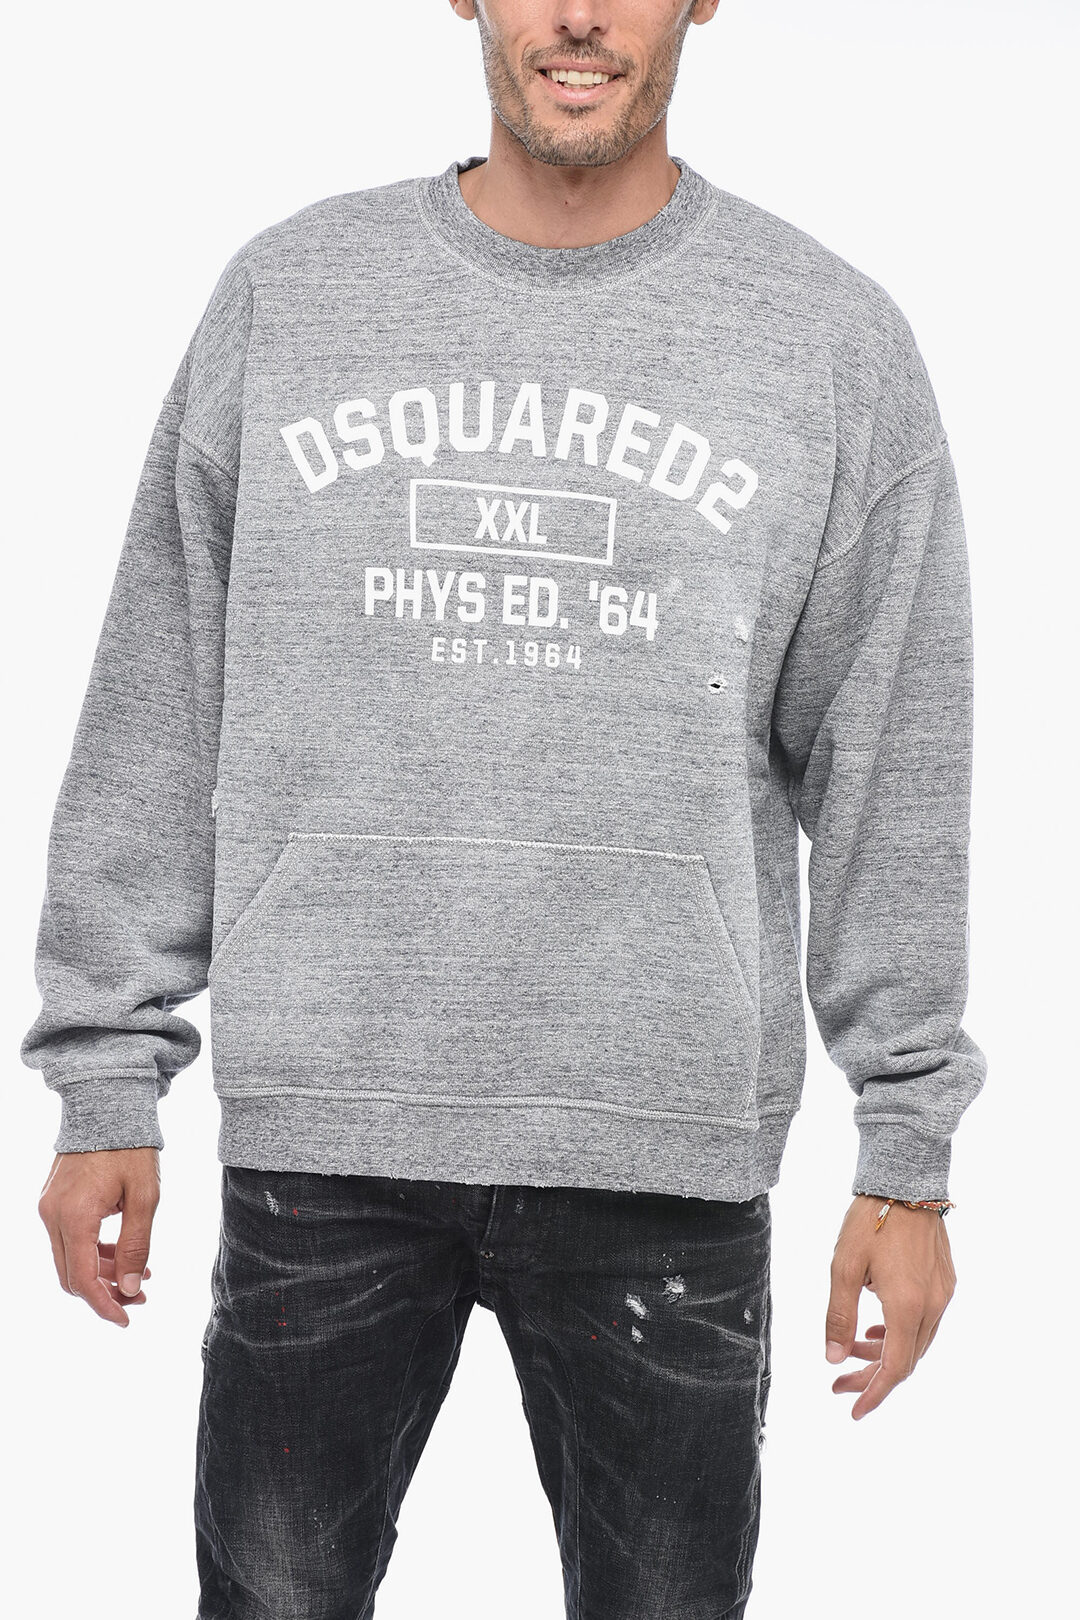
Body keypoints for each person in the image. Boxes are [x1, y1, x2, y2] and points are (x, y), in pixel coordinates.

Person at [22, 2, 987, 1616]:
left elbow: (898, 755)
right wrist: (106, 1076)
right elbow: (161, 697)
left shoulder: (827, 342)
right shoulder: (292, 297)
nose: (581, 15)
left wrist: (909, 1150)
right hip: (327, 1131)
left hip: (661, 1151)